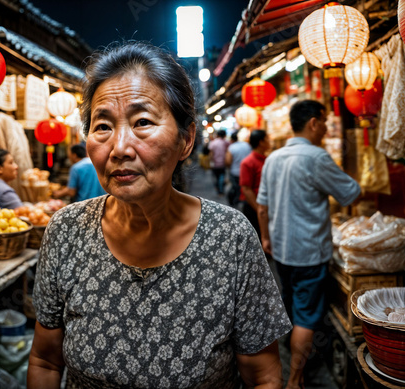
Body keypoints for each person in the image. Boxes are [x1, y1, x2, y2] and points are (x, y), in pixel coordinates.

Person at [28, 41, 292, 389]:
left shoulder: (231, 238)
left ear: (186, 140)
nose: (120, 148)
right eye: (103, 126)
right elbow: (46, 361)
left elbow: (263, 377)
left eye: (142, 121)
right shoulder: (66, 231)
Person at [257, 100, 361, 389]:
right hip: (309, 254)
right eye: (324, 121)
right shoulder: (316, 157)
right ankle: (295, 380)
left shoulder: (273, 158)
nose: (326, 128)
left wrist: (266, 237)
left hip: (280, 251)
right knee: (306, 316)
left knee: (292, 308)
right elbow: (350, 193)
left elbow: (262, 207)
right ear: (313, 122)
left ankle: (296, 359)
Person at [239, 130, 270, 237]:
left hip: (264, 207)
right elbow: (246, 189)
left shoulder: (267, 160)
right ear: (261, 142)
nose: (269, 141)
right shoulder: (248, 162)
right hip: (253, 207)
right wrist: (259, 210)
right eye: (267, 138)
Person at [225, 131, 251, 207]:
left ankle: (236, 203)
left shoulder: (231, 147)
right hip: (246, 172)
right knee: (245, 188)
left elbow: (228, 161)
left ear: (232, 139)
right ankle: (243, 202)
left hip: (235, 172)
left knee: (236, 188)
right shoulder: (246, 145)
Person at [208, 129, 230, 195]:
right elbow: (228, 152)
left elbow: (211, 154)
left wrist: (211, 161)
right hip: (223, 163)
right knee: (222, 176)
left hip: (215, 163)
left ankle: (218, 188)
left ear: (217, 135)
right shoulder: (226, 142)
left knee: (217, 177)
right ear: (225, 135)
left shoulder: (213, 142)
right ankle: (221, 190)